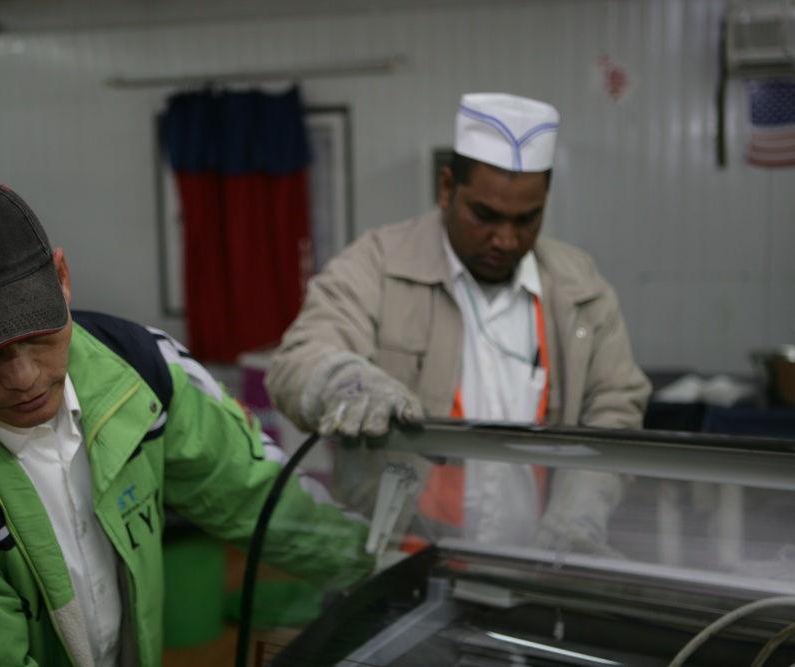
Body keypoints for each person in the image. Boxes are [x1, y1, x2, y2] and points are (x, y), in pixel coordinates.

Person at [0, 178, 372, 667]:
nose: (24, 377)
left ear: (62, 279)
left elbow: (264, 499)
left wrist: (386, 562)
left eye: (38, 332)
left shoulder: (142, 371)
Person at [266, 92, 652, 552]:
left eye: (527, 219)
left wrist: (577, 518)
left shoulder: (581, 289)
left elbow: (616, 406)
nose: (505, 240)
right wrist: (346, 383)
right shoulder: (377, 265)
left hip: (538, 564)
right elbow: (298, 360)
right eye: (484, 216)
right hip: (396, 562)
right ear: (446, 188)